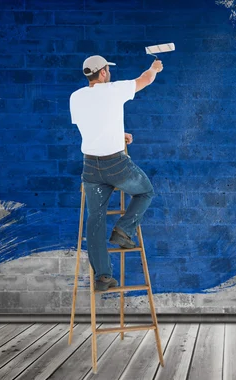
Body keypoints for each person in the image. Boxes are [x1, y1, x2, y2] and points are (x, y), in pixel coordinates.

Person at [69, 55, 163, 292]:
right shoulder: (114, 89)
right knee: (146, 192)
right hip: (116, 165)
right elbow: (145, 79)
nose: (108, 73)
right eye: (107, 70)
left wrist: (116, 134)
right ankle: (123, 231)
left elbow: (91, 124)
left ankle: (102, 276)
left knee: (95, 219)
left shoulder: (76, 97)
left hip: (90, 167)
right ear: (102, 72)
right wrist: (154, 68)